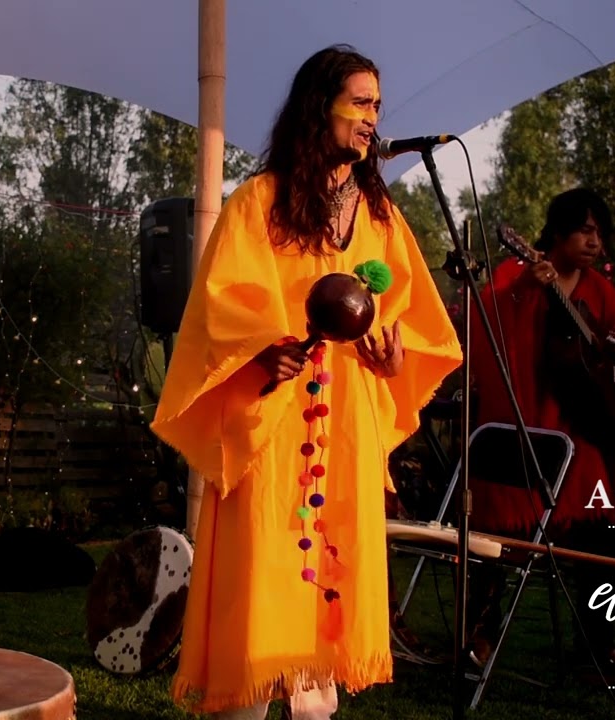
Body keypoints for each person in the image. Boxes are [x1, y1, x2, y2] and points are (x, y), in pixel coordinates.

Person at [151, 45, 462, 719]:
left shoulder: (381, 218)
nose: (372, 118)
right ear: (318, 106)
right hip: (271, 429)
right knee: (262, 594)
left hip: (345, 427)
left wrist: (391, 355)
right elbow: (218, 311)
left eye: (377, 104)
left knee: (328, 600)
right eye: (359, 102)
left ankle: (314, 705)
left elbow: (415, 325)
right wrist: (264, 354)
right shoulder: (257, 203)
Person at [465, 188, 615, 672]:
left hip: (578, 436)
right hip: (520, 434)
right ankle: (480, 635)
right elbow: (488, 324)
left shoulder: (601, 292)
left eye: (599, 234)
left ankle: (597, 644)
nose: (594, 242)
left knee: (601, 532)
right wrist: (528, 288)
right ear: (559, 231)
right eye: (586, 230)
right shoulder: (517, 272)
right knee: (495, 536)